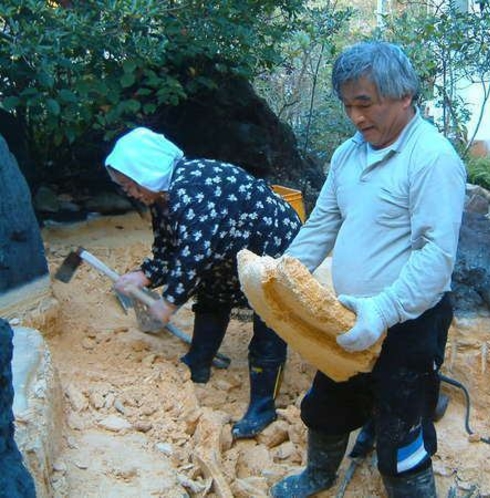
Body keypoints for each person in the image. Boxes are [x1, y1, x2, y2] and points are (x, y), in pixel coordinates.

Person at [270, 41, 466, 497]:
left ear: (404, 96)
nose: (357, 118)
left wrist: (385, 308)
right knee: (327, 403)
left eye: (365, 104)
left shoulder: (432, 159)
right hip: (349, 315)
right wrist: (284, 277)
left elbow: (436, 256)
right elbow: (323, 223)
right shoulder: (348, 154)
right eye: (347, 106)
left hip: (411, 321)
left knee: (403, 424)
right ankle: (318, 475)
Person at [104, 127, 302, 439]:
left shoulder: (193, 187)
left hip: (275, 244)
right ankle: (198, 361)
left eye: (129, 184)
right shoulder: (162, 197)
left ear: (146, 171)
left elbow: (194, 255)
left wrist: (167, 303)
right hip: (231, 247)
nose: (128, 192)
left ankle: (263, 405)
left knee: (269, 318)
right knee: (213, 293)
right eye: (122, 187)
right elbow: (170, 249)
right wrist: (144, 274)